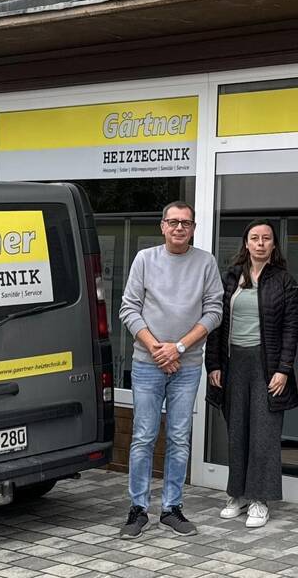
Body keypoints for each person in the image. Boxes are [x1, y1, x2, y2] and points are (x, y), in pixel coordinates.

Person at [118, 201, 223, 538]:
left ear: (193, 228)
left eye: (186, 223)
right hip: (147, 363)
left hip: (187, 365)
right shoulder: (145, 259)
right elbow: (129, 309)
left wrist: (177, 348)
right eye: (173, 222)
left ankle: (171, 508)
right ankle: (138, 509)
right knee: (143, 437)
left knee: (179, 437)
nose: (180, 228)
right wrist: (157, 349)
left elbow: (213, 313)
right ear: (162, 226)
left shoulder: (205, 263)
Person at [206, 219, 298, 528]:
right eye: (254, 238)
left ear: (273, 244)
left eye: (266, 238)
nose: (260, 243)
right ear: (246, 243)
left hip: (267, 364)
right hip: (234, 363)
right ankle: (238, 494)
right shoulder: (231, 277)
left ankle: (260, 499)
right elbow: (215, 323)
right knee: (238, 432)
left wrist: (284, 369)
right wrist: (214, 364)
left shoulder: (283, 280)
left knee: (264, 433)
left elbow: (290, 329)